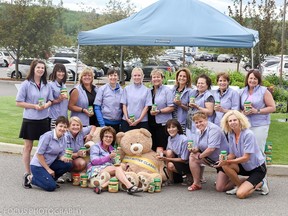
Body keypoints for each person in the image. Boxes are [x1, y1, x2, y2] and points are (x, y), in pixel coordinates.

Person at [16, 59, 53, 188]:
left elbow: (50, 100)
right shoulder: (26, 84)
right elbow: (18, 102)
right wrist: (34, 106)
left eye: (43, 68)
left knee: (45, 148)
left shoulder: (47, 84)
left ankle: (43, 171)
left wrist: (47, 104)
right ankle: (28, 173)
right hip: (30, 119)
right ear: (33, 69)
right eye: (38, 68)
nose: (41, 70)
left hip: (44, 119)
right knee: (28, 147)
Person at [218, 110, 269, 199]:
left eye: (235, 120)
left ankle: (261, 183)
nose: (232, 122)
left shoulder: (248, 134)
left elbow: (246, 158)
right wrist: (223, 160)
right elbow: (233, 153)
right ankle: (239, 186)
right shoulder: (231, 134)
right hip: (244, 166)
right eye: (230, 121)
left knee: (240, 194)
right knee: (225, 165)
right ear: (227, 123)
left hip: (257, 169)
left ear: (240, 120)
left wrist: (228, 160)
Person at [87, 126, 143, 194]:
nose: (108, 139)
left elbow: (115, 163)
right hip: (96, 169)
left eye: (110, 137)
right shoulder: (95, 147)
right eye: (106, 136)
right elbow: (94, 161)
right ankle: (129, 186)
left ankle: (101, 186)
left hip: (108, 168)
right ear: (102, 137)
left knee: (122, 167)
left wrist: (117, 159)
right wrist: (109, 157)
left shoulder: (112, 149)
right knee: (119, 168)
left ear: (113, 139)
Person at [24, 116, 72, 191]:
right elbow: (39, 154)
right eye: (60, 126)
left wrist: (63, 158)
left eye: (65, 127)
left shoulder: (64, 137)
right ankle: (30, 178)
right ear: (55, 126)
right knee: (51, 187)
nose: (62, 129)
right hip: (38, 165)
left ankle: (49, 179)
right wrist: (48, 169)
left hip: (50, 163)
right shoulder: (47, 136)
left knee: (68, 164)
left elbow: (61, 153)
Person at [188, 112, 233, 192]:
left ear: (206, 119)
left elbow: (211, 148)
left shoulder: (214, 129)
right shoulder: (199, 130)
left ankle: (243, 181)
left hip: (222, 161)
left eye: (200, 121)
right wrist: (196, 149)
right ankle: (197, 183)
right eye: (196, 123)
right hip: (211, 159)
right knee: (192, 155)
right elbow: (201, 145)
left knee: (220, 188)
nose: (198, 124)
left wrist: (199, 156)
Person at [240, 69, 276, 153]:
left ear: (258, 80)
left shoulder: (264, 91)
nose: (252, 80)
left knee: (258, 149)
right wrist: (243, 113)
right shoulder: (242, 91)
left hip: (260, 125)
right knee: (246, 150)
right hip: (245, 125)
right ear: (247, 79)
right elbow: (239, 109)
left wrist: (257, 110)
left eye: (255, 79)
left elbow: (272, 107)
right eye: (251, 78)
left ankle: (261, 166)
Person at [157, 119, 190, 184]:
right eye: (169, 127)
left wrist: (166, 158)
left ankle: (188, 175)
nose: (171, 129)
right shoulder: (170, 138)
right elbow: (169, 151)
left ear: (178, 129)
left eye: (173, 127)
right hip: (178, 161)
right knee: (169, 152)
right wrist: (160, 152)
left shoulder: (184, 140)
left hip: (188, 163)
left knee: (170, 165)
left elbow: (184, 159)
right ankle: (170, 179)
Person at [148, 69, 174, 151]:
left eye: (158, 77)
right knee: (152, 146)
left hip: (162, 123)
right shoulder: (149, 91)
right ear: (151, 79)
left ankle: (162, 163)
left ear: (162, 78)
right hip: (151, 123)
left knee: (161, 146)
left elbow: (172, 107)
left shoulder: (167, 91)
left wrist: (159, 111)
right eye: (154, 77)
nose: (156, 79)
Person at [120, 67, 152, 132]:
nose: (137, 77)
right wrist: (126, 118)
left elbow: (146, 107)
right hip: (127, 122)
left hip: (142, 122)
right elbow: (124, 104)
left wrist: (139, 120)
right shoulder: (126, 89)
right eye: (135, 75)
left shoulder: (147, 90)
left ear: (142, 76)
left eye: (139, 75)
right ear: (132, 76)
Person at [187, 74, 215, 142]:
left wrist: (197, 107)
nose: (200, 85)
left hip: (200, 126)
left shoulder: (208, 96)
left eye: (202, 83)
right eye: (198, 83)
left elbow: (210, 112)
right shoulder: (195, 93)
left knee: (198, 146)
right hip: (190, 124)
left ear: (207, 85)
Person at [94, 68, 123, 133]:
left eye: (115, 75)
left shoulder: (122, 91)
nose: (113, 77)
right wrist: (102, 124)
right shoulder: (102, 89)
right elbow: (97, 107)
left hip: (117, 124)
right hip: (104, 123)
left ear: (118, 77)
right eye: (111, 75)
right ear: (108, 77)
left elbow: (123, 108)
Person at [171, 68, 194, 134]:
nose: (182, 78)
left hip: (183, 121)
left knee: (183, 140)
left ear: (188, 79)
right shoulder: (173, 89)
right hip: (172, 120)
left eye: (184, 76)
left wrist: (180, 104)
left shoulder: (191, 91)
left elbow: (191, 109)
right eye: (180, 76)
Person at [48, 63, 69, 129]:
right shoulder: (51, 85)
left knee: (63, 137)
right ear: (55, 72)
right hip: (55, 117)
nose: (61, 73)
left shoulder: (63, 85)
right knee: (55, 136)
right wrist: (58, 100)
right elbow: (49, 101)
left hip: (64, 116)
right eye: (59, 72)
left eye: (63, 72)